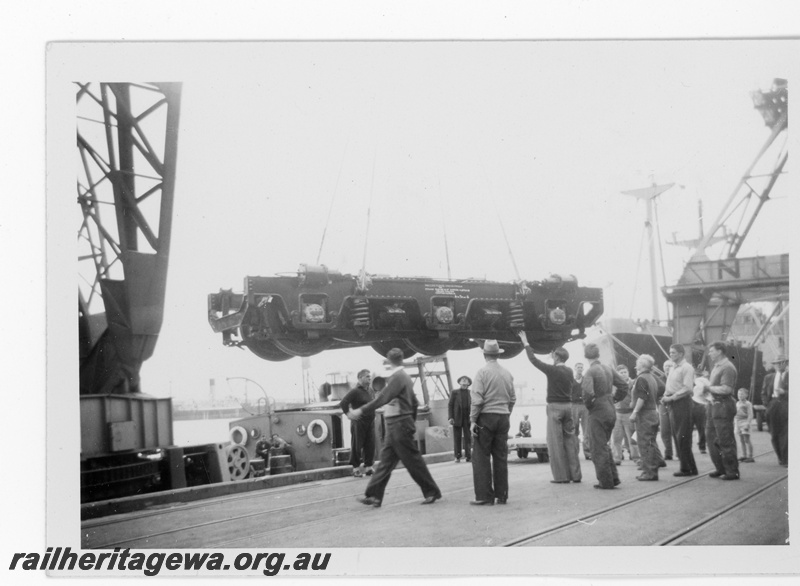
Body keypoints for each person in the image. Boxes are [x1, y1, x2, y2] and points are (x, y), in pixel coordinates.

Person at [348, 348, 442, 507]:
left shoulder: (398, 377)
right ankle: (374, 496)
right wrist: (411, 422)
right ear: (402, 359)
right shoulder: (403, 377)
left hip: (398, 424)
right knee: (386, 461)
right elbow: (414, 403)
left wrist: (360, 410)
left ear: (389, 360)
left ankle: (432, 491)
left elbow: (382, 399)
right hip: (397, 424)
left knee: (412, 460)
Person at [518, 332, 581, 484]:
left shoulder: (552, 370)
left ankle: (561, 477)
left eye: (553, 355)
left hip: (555, 408)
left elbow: (533, 360)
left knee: (555, 442)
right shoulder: (569, 371)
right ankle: (576, 475)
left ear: (557, 357)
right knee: (570, 441)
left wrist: (526, 343)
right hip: (569, 407)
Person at [469, 339, 516, 505]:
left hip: (486, 417)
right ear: (497, 354)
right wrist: (506, 413)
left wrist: (473, 420)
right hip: (503, 418)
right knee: (501, 456)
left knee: (481, 456)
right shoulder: (507, 373)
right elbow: (513, 398)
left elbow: (477, 400)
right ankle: (501, 495)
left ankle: (484, 496)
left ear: (484, 354)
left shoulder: (482, 373)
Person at [581, 342, 629, 489]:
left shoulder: (590, 372)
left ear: (586, 356)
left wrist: (590, 406)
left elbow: (588, 393)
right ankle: (613, 478)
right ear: (598, 355)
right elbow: (624, 386)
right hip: (610, 409)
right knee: (604, 445)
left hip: (598, 412)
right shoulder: (608, 368)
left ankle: (606, 481)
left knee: (597, 447)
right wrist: (614, 399)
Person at [702, 341, 740, 480]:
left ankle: (732, 471)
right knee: (712, 438)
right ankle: (721, 468)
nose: (709, 353)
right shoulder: (717, 367)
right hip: (714, 405)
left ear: (719, 351)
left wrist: (708, 388)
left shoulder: (727, 367)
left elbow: (727, 389)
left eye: (711, 351)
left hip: (723, 406)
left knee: (725, 439)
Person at [662, 344, 697, 477]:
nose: (671, 355)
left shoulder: (686, 368)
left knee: (682, 436)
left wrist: (672, 398)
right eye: (670, 353)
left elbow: (688, 388)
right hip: (672, 402)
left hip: (681, 403)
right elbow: (671, 385)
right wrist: (666, 395)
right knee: (678, 436)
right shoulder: (673, 367)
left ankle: (686, 468)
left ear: (681, 354)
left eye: (674, 353)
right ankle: (689, 467)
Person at [629, 354, 661, 481]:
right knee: (651, 442)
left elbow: (642, 397)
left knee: (644, 443)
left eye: (637, 363)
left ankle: (649, 472)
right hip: (653, 412)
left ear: (642, 365)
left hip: (645, 414)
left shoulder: (641, 379)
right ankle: (652, 469)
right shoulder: (652, 377)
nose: (636, 365)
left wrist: (635, 412)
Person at [339, 369, 377, 477]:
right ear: (360, 378)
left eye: (370, 376)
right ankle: (356, 468)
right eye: (367, 376)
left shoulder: (370, 390)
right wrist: (348, 414)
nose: (370, 378)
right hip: (359, 422)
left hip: (370, 422)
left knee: (370, 444)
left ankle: (369, 467)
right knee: (357, 445)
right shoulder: (355, 391)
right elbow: (343, 403)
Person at [763, 354, 789, 466]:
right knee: (774, 433)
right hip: (772, 405)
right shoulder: (769, 377)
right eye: (776, 363)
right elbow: (763, 392)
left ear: (786, 363)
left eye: (781, 362)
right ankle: (780, 456)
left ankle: (786, 458)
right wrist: (767, 404)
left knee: (786, 433)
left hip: (787, 405)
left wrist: (785, 393)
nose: (778, 365)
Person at [611, 364, 640, 466]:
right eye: (621, 373)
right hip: (617, 413)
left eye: (625, 372)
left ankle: (636, 457)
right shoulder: (614, 385)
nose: (623, 374)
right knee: (616, 438)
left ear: (628, 373)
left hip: (629, 412)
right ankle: (617, 458)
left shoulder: (633, 383)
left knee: (631, 438)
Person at [448, 375, 473, 463]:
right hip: (457, 417)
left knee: (468, 437)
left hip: (468, 418)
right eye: (462, 380)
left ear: (468, 383)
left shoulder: (471, 392)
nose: (464, 381)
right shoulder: (454, 392)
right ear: (459, 382)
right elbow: (450, 405)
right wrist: (450, 417)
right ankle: (457, 456)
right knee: (457, 438)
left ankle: (468, 456)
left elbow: (474, 405)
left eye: (466, 380)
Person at [571, 362, 591, 460]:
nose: (580, 369)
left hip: (584, 406)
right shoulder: (571, 380)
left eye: (581, 367)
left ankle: (587, 452)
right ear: (575, 368)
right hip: (574, 406)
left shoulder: (585, 380)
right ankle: (575, 452)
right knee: (574, 429)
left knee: (586, 429)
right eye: (578, 367)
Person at [658, 360, 676, 460]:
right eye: (666, 366)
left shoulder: (676, 378)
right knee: (664, 430)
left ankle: (679, 453)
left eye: (669, 365)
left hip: (674, 404)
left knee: (676, 430)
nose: (667, 368)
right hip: (663, 405)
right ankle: (668, 452)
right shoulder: (660, 379)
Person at [691, 369, 709, 454]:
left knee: (693, 427)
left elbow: (701, 388)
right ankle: (702, 447)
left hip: (696, 403)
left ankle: (698, 446)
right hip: (702, 403)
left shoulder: (698, 380)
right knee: (701, 427)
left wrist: (698, 394)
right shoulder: (706, 380)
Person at [734, 388, 755, 463]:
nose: (740, 395)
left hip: (744, 421)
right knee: (741, 440)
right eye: (738, 394)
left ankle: (750, 456)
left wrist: (747, 423)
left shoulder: (748, 403)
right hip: (738, 422)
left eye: (742, 394)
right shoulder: (737, 403)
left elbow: (750, 414)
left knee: (747, 439)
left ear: (746, 395)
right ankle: (744, 455)